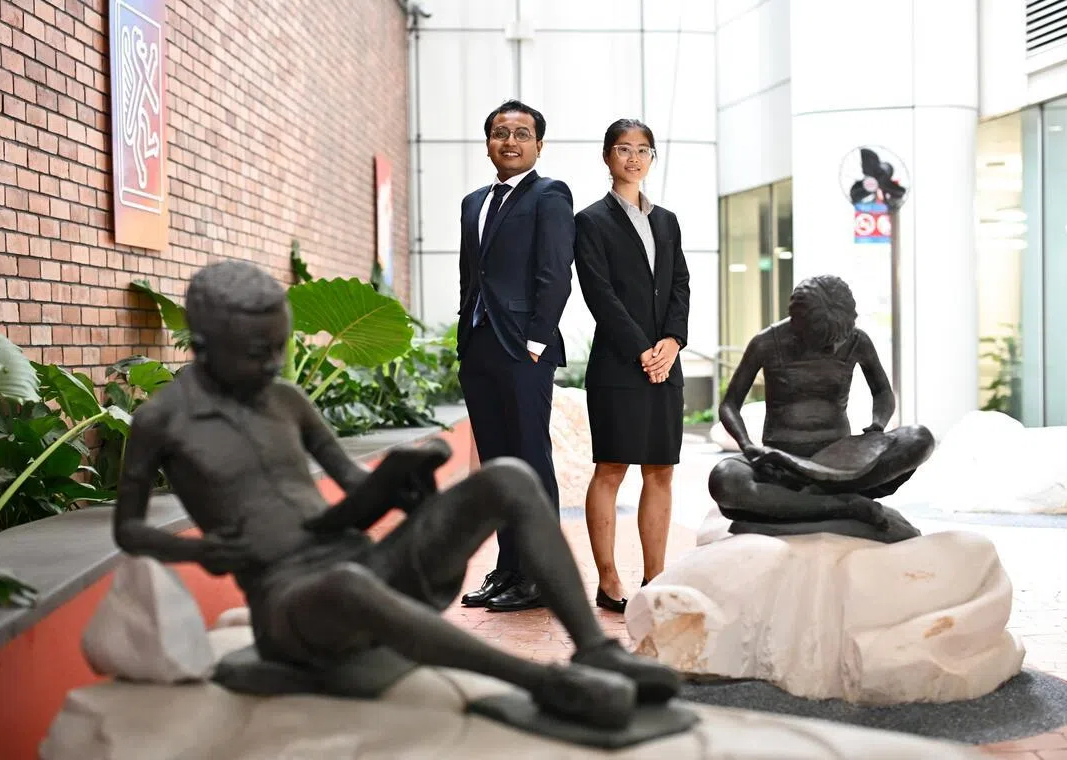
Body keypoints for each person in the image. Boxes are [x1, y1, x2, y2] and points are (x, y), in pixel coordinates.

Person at [113, 261, 679, 731]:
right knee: (346, 584)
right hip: (291, 607)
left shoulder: (285, 400)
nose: (272, 364)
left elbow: (355, 487)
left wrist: (401, 487)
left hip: (361, 561)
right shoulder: (162, 422)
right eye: (256, 353)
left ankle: (593, 650)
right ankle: (542, 683)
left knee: (507, 476)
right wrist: (197, 554)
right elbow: (128, 530)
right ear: (205, 345)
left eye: (278, 349)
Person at [455, 100, 575, 612]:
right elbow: (471, 275)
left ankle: (540, 574)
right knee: (499, 465)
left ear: (538, 145)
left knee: (530, 460)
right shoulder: (472, 202)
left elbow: (555, 272)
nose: (510, 141)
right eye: (500, 133)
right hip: (479, 345)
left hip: (524, 349)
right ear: (487, 143)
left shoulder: (550, 195)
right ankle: (508, 570)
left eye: (522, 134)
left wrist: (536, 340)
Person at [709, 274, 932, 543]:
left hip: (842, 461)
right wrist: (747, 446)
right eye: (825, 341)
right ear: (798, 326)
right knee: (725, 479)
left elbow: (883, 392)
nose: (834, 347)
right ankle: (843, 506)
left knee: (920, 437)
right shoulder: (767, 343)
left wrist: (877, 426)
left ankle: (804, 501)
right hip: (780, 461)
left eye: (839, 339)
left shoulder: (857, 341)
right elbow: (730, 405)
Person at [573, 119, 690, 613]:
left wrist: (672, 341)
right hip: (620, 364)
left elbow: (680, 284)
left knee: (660, 470)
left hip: (665, 361)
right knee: (612, 467)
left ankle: (656, 577)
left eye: (643, 150)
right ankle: (608, 578)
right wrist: (642, 349)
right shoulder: (590, 221)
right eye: (624, 149)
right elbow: (598, 293)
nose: (634, 158)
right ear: (607, 157)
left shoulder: (666, 220)